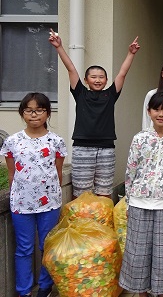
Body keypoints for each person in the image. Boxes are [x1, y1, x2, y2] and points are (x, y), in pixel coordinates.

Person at [49, 28, 140, 198]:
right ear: (86, 80)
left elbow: (122, 73)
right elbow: (71, 69)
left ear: (106, 80)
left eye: (101, 77)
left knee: (104, 191)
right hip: (82, 147)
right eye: (93, 77)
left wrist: (131, 53)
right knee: (81, 193)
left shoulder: (110, 94)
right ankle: (82, 223)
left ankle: (101, 223)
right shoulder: (80, 93)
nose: (97, 80)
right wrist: (59, 47)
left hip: (106, 148)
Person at [119, 92, 163, 297]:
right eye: (157, 109)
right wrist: (129, 201)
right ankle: (141, 292)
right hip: (139, 203)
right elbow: (130, 170)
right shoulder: (140, 138)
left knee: (162, 253)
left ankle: (161, 292)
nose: (161, 114)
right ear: (149, 112)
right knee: (138, 251)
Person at [1, 93, 67, 297]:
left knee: (47, 246)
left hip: (50, 204)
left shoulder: (56, 141)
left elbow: (58, 173)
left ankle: (45, 287)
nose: (34, 114)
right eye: (29, 110)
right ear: (22, 113)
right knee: (24, 248)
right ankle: (24, 290)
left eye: (39, 110)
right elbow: (12, 174)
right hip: (21, 204)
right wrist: (15, 195)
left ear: (47, 113)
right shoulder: (13, 141)